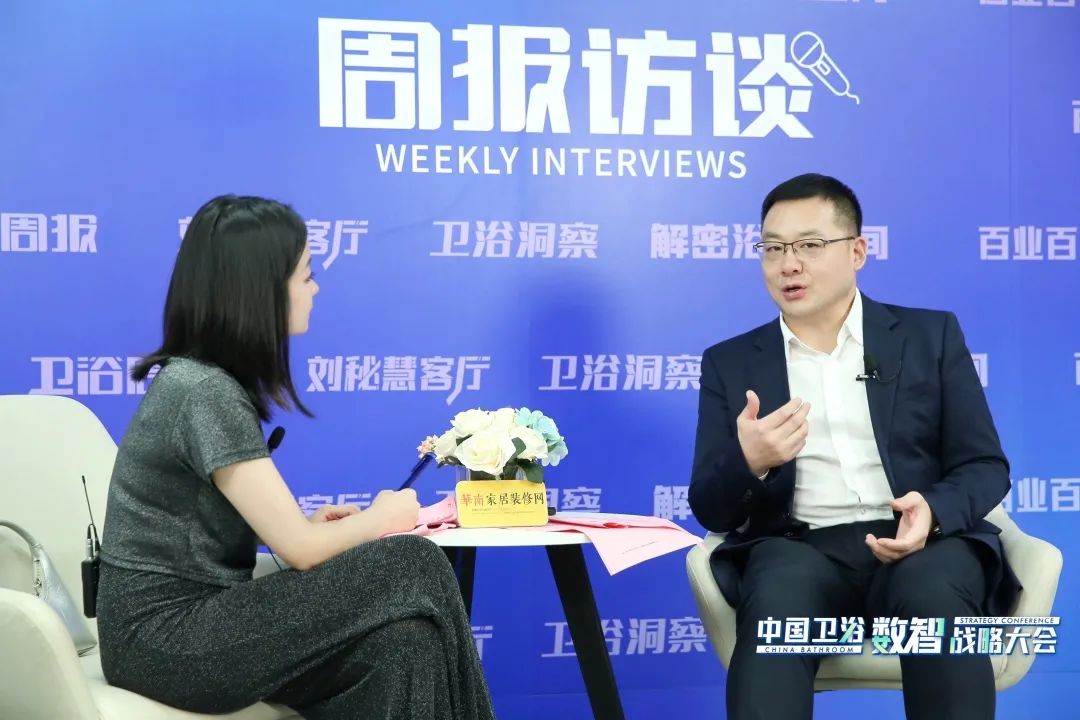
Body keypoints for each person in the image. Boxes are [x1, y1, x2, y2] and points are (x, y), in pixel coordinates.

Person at [97, 194, 496, 719]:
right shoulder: (203, 392)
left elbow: (282, 537)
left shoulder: (202, 384)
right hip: (165, 640)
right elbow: (302, 551)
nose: (315, 289)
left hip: (193, 625)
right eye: (306, 275)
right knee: (413, 560)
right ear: (259, 289)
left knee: (406, 643)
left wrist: (313, 528)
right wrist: (385, 517)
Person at [688, 174, 1019, 720]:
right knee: (776, 602)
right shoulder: (731, 362)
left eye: (809, 245)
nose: (788, 265)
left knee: (935, 597)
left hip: (921, 545)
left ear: (857, 251)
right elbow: (710, 507)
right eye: (773, 248)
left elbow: (984, 465)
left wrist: (933, 513)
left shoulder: (928, 337)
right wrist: (750, 463)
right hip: (798, 550)